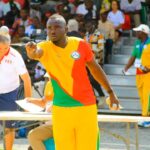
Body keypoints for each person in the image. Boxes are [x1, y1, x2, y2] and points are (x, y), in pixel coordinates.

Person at [25, 14, 119, 150]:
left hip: (86, 107)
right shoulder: (44, 47)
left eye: (57, 27)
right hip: (61, 110)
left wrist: (110, 92)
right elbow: (35, 53)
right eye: (49, 27)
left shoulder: (80, 44)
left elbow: (95, 68)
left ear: (66, 29)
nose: (52, 30)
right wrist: (31, 51)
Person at [0, 26, 32, 150]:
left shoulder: (15, 56)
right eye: (0, 48)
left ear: (10, 45)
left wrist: (28, 102)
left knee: (9, 126)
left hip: (9, 93)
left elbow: (26, 79)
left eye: (5, 48)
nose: (2, 51)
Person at [124, 24, 150, 127]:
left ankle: (146, 118)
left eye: (138, 31)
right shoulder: (137, 42)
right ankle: (145, 116)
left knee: (147, 96)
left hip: (148, 73)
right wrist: (126, 68)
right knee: (142, 96)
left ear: (143, 32)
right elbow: (133, 56)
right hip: (139, 73)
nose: (136, 33)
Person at [27, 75, 54, 150]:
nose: (49, 79)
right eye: (49, 77)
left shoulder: (67, 85)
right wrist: (30, 101)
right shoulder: (49, 84)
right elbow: (43, 102)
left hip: (63, 125)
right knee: (32, 135)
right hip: (50, 125)